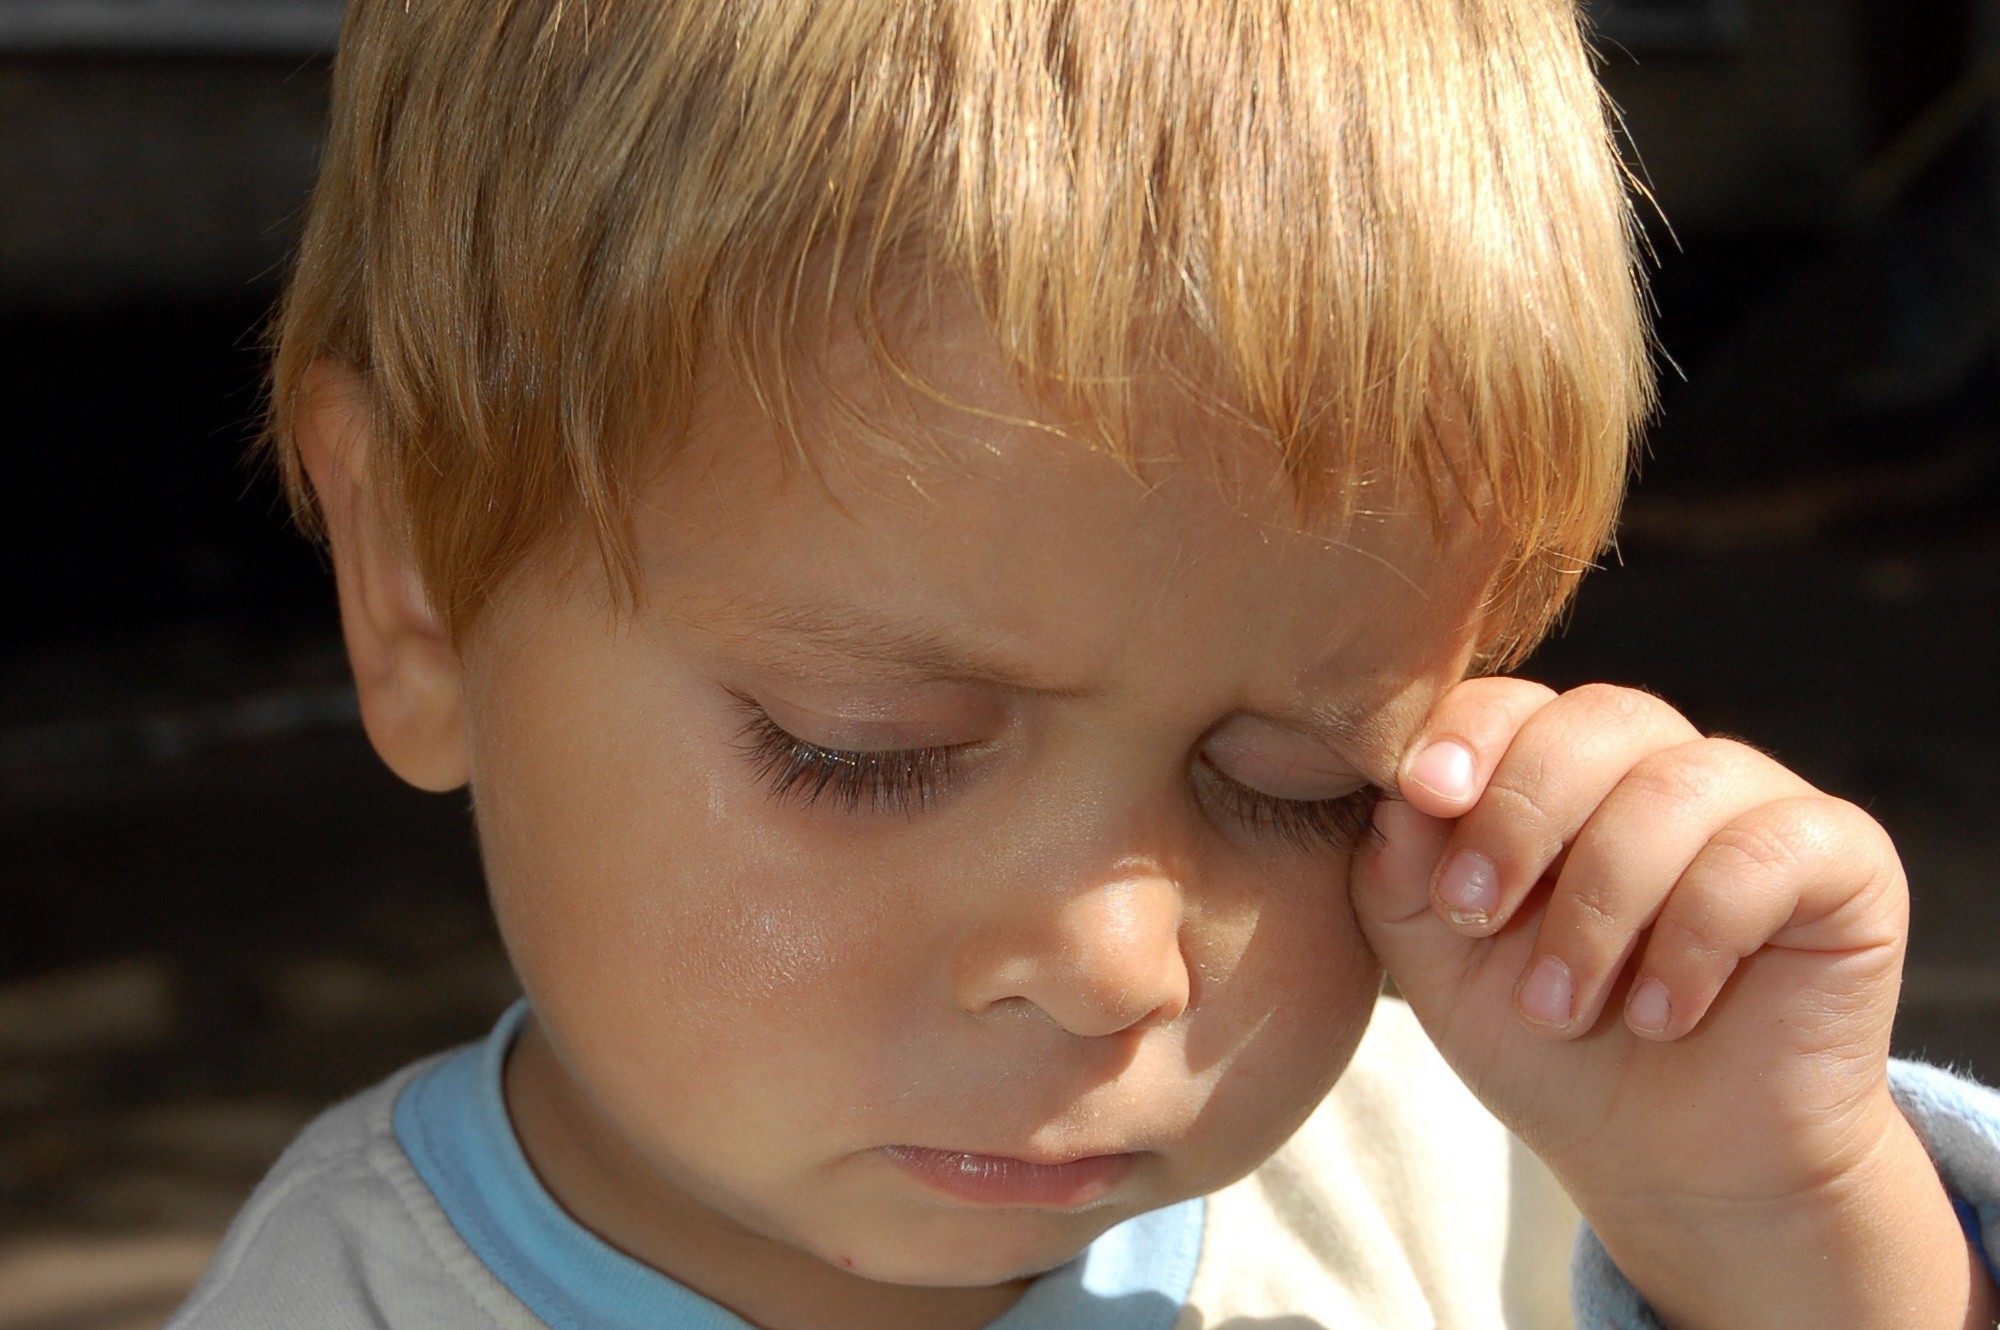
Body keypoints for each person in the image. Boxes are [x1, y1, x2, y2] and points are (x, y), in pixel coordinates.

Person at [166, 0, 2000, 1326]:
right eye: (861, 746)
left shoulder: (1512, 1173)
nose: (1116, 962)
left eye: (1305, 782)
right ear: (413, 574)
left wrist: (1777, 1224)